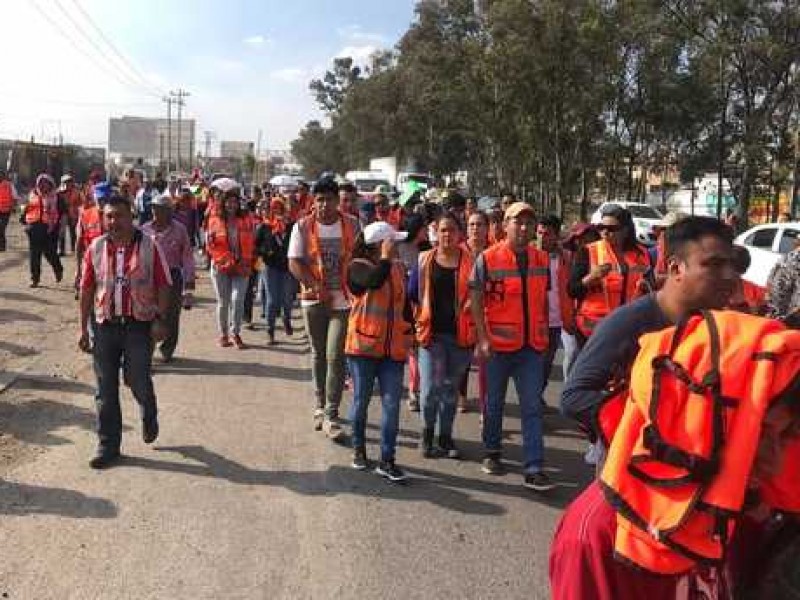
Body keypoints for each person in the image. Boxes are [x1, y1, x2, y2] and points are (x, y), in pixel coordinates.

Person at [552, 216, 738, 598]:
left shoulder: (719, 327)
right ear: (675, 269)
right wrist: (651, 430)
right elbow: (574, 397)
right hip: (628, 488)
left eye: (731, 264)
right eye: (713, 265)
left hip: (688, 492)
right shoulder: (631, 324)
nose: (728, 276)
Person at [78, 195, 171, 469]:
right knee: (105, 389)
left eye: (118, 215)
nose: (113, 221)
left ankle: (148, 409)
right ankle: (108, 445)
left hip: (138, 325)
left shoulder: (149, 246)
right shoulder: (95, 247)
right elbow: (85, 289)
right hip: (104, 325)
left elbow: (164, 283)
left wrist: (161, 319)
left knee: (136, 379)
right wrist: (83, 328)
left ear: (131, 216)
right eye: (108, 216)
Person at [469, 201, 555, 491]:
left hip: (530, 347)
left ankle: (534, 467)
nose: (523, 227)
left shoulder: (542, 260)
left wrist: (542, 334)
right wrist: (481, 338)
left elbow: (542, 299)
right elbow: (476, 299)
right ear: (504, 225)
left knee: (531, 406)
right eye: (517, 222)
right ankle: (492, 452)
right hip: (497, 347)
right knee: (494, 404)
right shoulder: (488, 259)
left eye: (529, 223)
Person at [288, 178, 359, 440]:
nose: (324, 205)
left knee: (335, 355)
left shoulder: (352, 224)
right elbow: (294, 262)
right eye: (319, 199)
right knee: (319, 354)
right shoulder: (302, 226)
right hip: (313, 299)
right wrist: (315, 286)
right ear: (313, 201)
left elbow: (362, 258)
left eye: (329, 199)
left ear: (336, 201)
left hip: (343, 301)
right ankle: (319, 404)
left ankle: (331, 413)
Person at [345, 221, 413, 481]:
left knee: (391, 404)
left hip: (392, 348)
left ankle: (387, 459)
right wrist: (385, 258)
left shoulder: (396, 268)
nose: (396, 246)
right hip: (364, 346)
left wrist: (410, 333)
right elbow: (372, 282)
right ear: (378, 245)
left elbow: (404, 304)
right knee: (361, 400)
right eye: (391, 242)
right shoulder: (358, 267)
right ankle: (358, 448)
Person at [409, 212, 475, 458]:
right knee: (429, 391)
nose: (447, 235)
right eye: (443, 230)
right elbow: (413, 294)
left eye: (452, 230)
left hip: (461, 338)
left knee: (450, 390)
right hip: (431, 335)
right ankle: (427, 434)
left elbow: (479, 298)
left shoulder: (471, 261)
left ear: (460, 234)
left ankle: (445, 437)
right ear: (436, 232)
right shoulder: (424, 259)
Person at [569, 204, 651, 346]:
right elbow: (572, 289)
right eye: (601, 228)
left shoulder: (642, 254)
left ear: (625, 230)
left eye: (612, 229)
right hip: (592, 331)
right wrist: (590, 278)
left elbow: (652, 289)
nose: (605, 232)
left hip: (629, 329)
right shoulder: (588, 251)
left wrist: (648, 286)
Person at [141, 194, 195, 362]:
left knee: (170, 316)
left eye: (161, 209)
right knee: (148, 314)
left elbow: (186, 256)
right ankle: (147, 352)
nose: (156, 212)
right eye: (154, 208)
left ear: (169, 211)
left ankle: (167, 348)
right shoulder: (144, 230)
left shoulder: (180, 230)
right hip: (149, 278)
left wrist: (189, 281)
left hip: (172, 277)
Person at [206, 182, 256, 349]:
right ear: (223, 203)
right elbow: (209, 245)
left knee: (238, 299)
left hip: (242, 266)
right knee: (223, 301)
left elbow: (253, 239)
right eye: (228, 202)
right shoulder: (214, 219)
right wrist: (223, 260)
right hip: (221, 266)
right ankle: (223, 334)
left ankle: (236, 333)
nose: (231, 205)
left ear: (238, 203)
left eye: (234, 202)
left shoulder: (247, 219)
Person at [536, 215, 576, 411]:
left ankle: (536, 394)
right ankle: (533, 399)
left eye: (547, 234)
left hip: (556, 321)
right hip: (535, 321)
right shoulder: (529, 255)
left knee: (545, 366)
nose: (542, 237)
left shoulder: (566, 257)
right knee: (534, 364)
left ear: (557, 235)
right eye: (540, 233)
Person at [458, 210, 490, 414]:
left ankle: (484, 405)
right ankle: (461, 395)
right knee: (462, 361)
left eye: (479, 224)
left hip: (487, 315)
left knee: (485, 363)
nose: (475, 228)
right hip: (462, 314)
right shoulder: (458, 251)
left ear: (487, 228)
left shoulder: (493, 253)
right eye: (471, 224)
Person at [255, 197, 295, 344]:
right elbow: (256, 247)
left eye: (280, 208)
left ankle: (286, 320)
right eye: (274, 208)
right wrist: (265, 251)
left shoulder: (291, 226)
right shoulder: (264, 227)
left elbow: (297, 244)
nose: (277, 211)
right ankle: (270, 330)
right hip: (269, 267)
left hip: (288, 267)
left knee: (287, 299)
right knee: (272, 300)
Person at [21, 174, 63, 288]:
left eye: (46, 183)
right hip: (33, 227)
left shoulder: (55, 196)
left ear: (50, 185)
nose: (43, 186)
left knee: (50, 253)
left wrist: (54, 226)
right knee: (34, 255)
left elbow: (57, 213)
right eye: (41, 183)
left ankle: (58, 269)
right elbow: (25, 208)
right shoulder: (32, 194)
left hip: (47, 228)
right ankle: (35, 279)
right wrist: (25, 222)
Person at [74, 183, 104, 299]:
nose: (102, 202)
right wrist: (78, 268)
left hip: (111, 263)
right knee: (88, 292)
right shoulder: (85, 215)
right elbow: (79, 242)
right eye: (100, 199)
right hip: (90, 260)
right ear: (94, 197)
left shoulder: (117, 217)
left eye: (106, 199)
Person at [58, 174, 82, 255]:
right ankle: (61, 250)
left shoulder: (77, 191)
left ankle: (74, 248)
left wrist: (78, 211)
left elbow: (80, 202)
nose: (68, 183)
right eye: (66, 182)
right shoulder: (59, 192)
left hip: (73, 213)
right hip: (63, 214)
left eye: (69, 181)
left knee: (74, 231)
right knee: (62, 232)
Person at [0, 171, 20, 252]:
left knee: (1, 227)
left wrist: (14, 207)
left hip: (6, 210)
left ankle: (2, 245)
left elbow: (15, 197)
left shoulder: (9, 185)